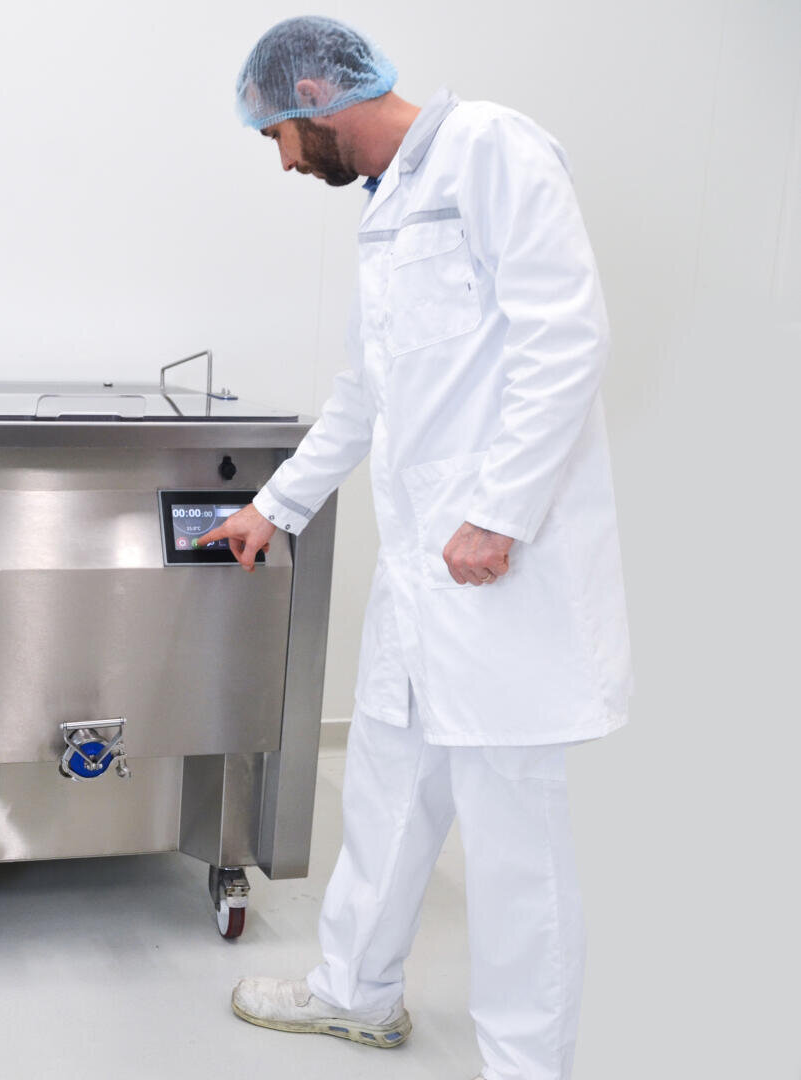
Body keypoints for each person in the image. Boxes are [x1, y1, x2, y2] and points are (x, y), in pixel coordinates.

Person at [197, 16, 632, 1080]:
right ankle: (358, 993)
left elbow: (565, 334)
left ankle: (528, 1065)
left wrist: (500, 514)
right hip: (422, 573)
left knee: (511, 841)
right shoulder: (388, 212)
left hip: (496, 569)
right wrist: (277, 507)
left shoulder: (491, 150)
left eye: (280, 135)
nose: (287, 159)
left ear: (315, 94)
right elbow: (367, 392)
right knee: (389, 786)